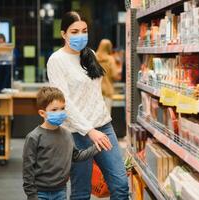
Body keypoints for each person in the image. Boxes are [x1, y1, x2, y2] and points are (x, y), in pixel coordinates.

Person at [47, 11, 129, 200]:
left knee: (121, 185)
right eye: (74, 31)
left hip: (103, 127)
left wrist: (97, 126)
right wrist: (89, 130)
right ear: (63, 34)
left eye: (84, 31)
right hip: (76, 134)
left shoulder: (90, 54)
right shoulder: (56, 60)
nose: (80, 35)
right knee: (81, 193)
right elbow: (63, 101)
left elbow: (94, 94)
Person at [22, 87, 99, 200]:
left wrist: (96, 147)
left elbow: (76, 156)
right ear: (42, 113)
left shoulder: (67, 135)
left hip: (61, 191)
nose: (60, 112)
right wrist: (32, 195)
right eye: (54, 110)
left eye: (62, 108)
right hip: (39, 193)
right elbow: (28, 169)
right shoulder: (34, 137)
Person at [96, 39, 121, 113]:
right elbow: (115, 75)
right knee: (106, 116)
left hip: (96, 90)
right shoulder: (110, 59)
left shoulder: (94, 58)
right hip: (107, 90)